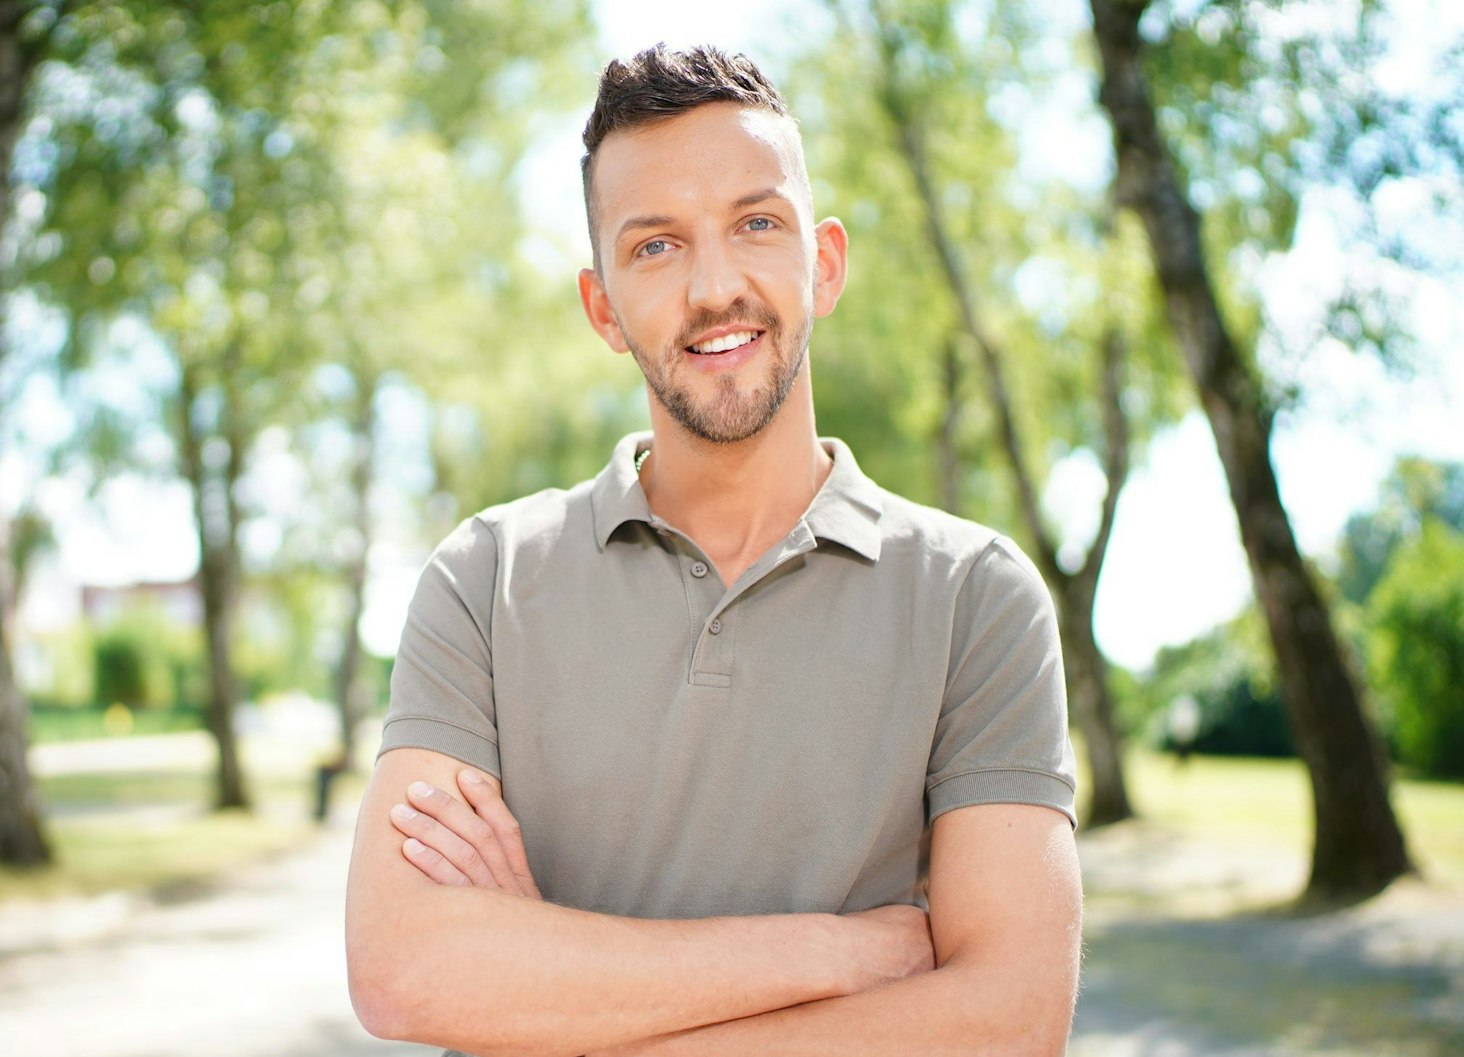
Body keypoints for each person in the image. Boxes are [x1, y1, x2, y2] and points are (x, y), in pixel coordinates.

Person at [345, 43, 1082, 1057]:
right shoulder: (483, 579)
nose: (714, 284)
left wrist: (546, 1003)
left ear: (820, 263)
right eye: (654, 246)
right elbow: (405, 970)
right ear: (602, 307)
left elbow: (1008, 1019)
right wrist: (833, 954)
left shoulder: (974, 598)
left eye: (754, 224)